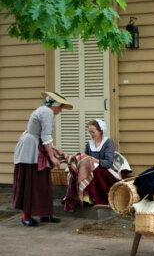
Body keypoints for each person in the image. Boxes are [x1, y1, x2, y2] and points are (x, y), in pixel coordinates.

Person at [12, 91, 73, 226]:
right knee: (31, 182)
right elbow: (45, 137)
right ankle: (26, 216)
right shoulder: (47, 112)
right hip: (30, 151)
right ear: (55, 105)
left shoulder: (47, 112)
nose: (61, 110)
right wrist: (52, 157)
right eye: (61, 107)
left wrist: (55, 149)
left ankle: (45, 214)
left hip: (37, 147)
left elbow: (44, 136)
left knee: (43, 182)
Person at [82, 119, 119, 205]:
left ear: (100, 131)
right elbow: (85, 157)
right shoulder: (89, 144)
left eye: (93, 132)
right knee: (81, 170)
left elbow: (108, 163)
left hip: (105, 171)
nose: (91, 135)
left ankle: (94, 197)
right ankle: (84, 196)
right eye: (89, 132)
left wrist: (96, 161)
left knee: (94, 171)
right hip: (92, 169)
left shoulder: (108, 143)